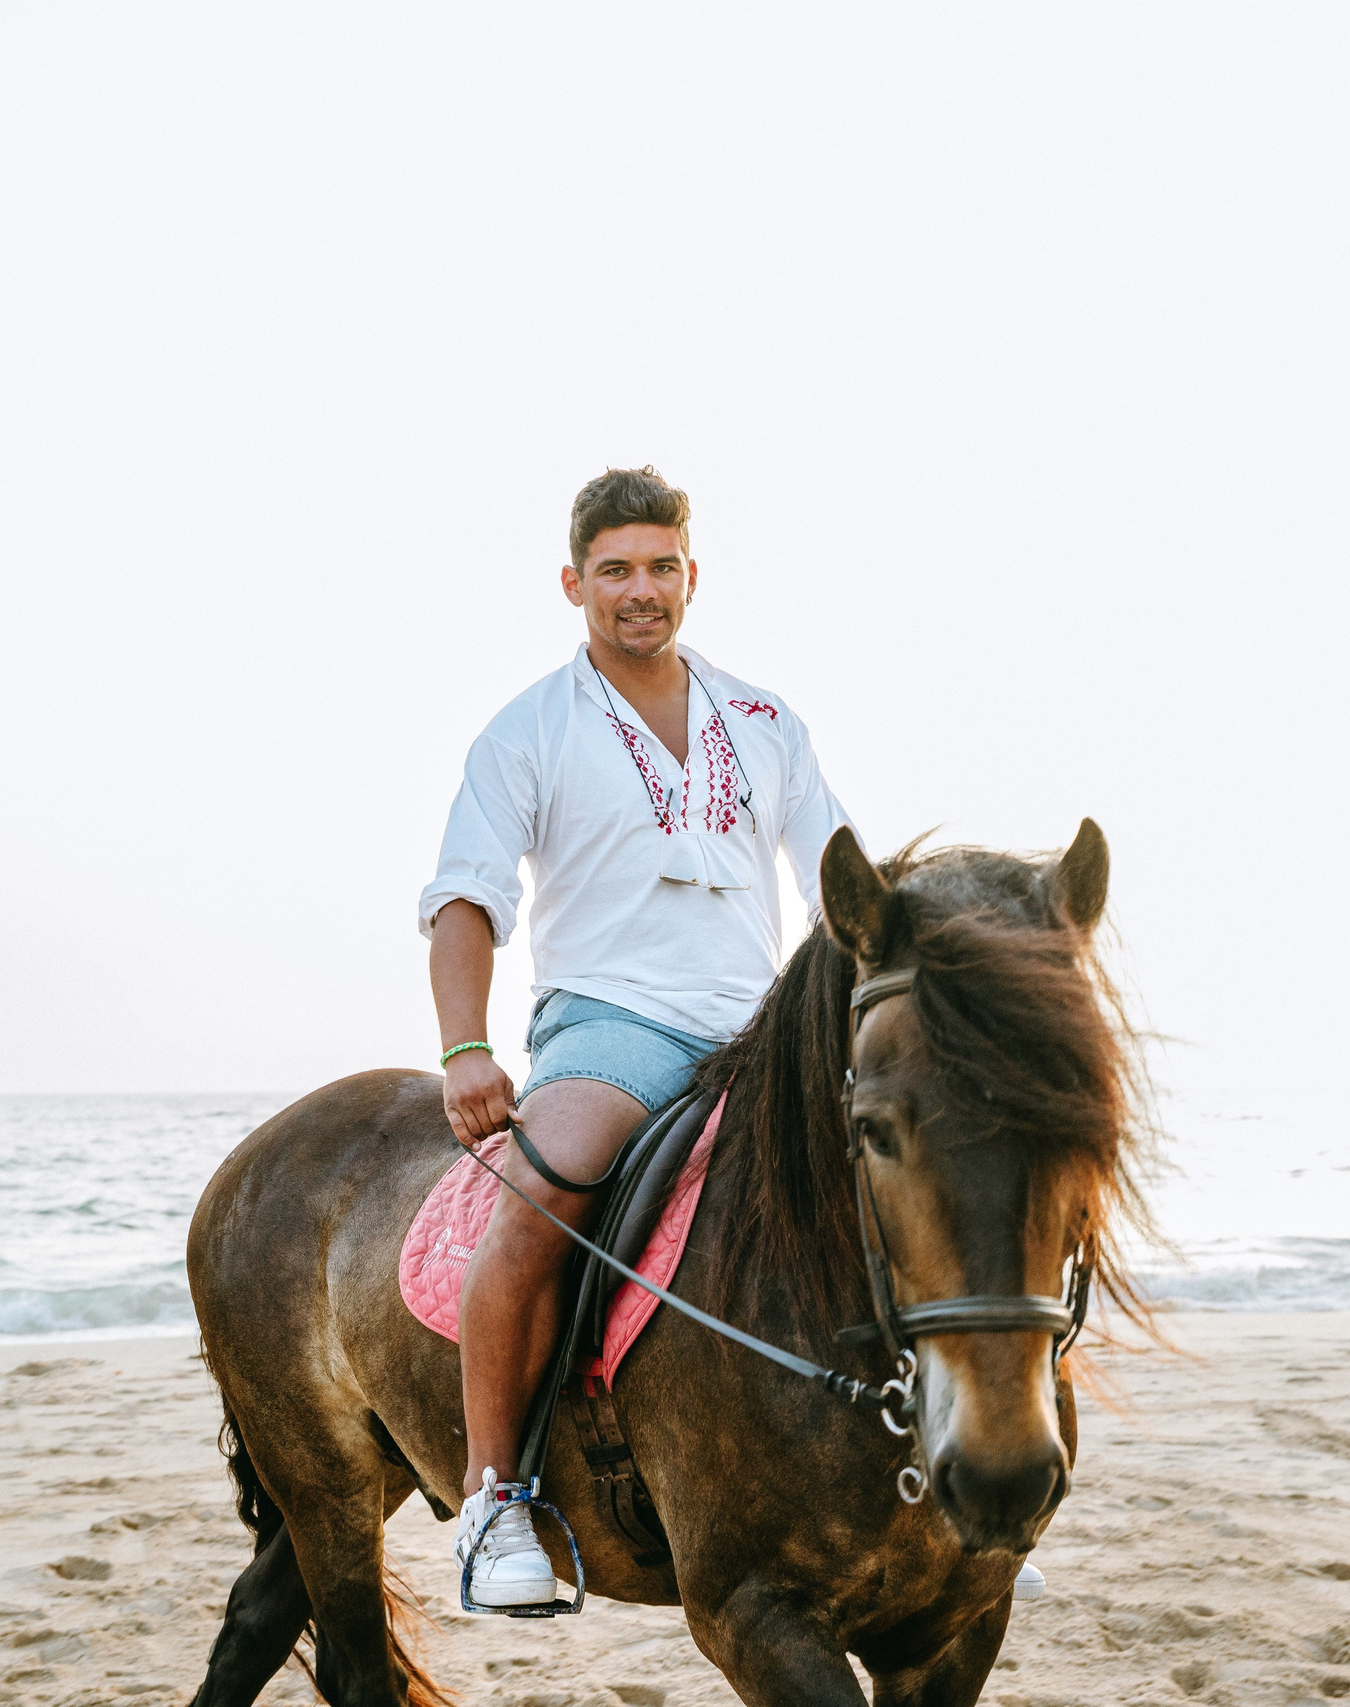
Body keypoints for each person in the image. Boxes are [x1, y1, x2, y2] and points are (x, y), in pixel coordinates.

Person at [419, 467, 1049, 1609]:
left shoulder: (764, 722)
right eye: (615, 571)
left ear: (691, 577)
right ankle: (495, 1501)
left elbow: (841, 883)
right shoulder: (528, 731)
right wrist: (467, 1048)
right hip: (612, 1021)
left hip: (764, 1027)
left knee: (938, 1173)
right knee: (545, 1185)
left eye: (661, 567)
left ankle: (964, 1484)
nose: (640, 591)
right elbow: (465, 896)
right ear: (575, 584)